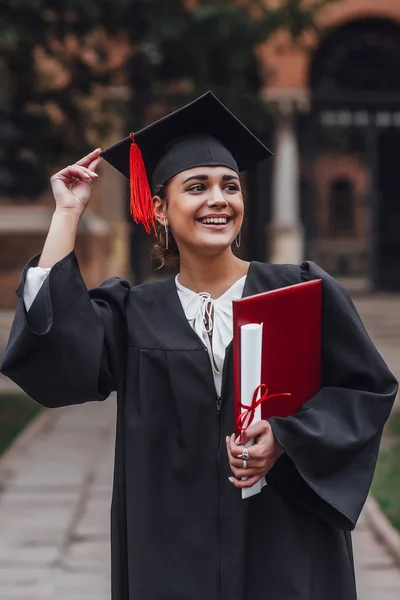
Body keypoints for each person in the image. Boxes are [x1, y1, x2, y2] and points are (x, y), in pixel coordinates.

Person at [1, 91, 398, 600]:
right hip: (169, 548)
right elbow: (58, 361)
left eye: (230, 186)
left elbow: (366, 392)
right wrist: (66, 216)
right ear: (161, 209)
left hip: (284, 540)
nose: (219, 199)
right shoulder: (132, 313)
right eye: (197, 186)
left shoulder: (299, 293)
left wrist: (287, 437)